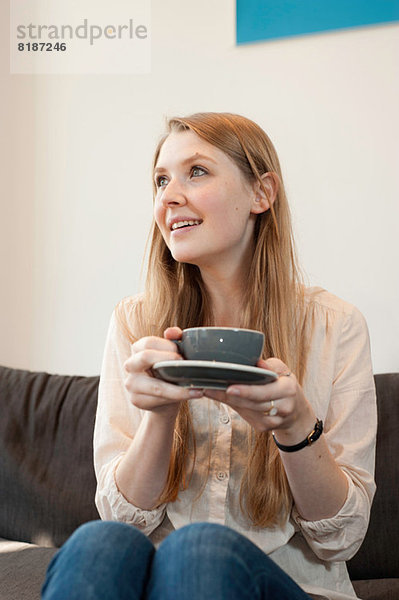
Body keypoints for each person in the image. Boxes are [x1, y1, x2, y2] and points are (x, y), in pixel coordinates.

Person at [41, 112, 377, 600]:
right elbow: (123, 521)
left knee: (197, 549)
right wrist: (159, 415)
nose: (169, 196)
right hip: (160, 583)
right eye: (161, 180)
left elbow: (341, 538)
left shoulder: (335, 325)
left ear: (261, 193)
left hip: (295, 585)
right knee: (98, 542)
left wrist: (295, 424)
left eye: (196, 172)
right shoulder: (135, 325)